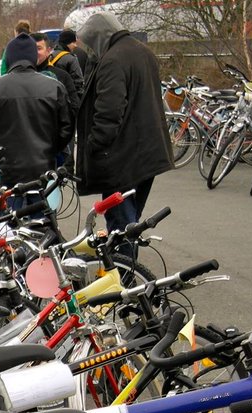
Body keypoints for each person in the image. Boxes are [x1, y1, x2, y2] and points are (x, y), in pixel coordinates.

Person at [75, 10, 173, 242]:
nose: (91, 51)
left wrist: (94, 144)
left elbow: (109, 111)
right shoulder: (143, 52)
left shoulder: (112, 60)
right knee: (131, 221)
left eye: (91, 44)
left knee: (121, 226)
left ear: (99, 37)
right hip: (148, 152)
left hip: (122, 158)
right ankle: (128, 269)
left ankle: (124, 274)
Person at [0, 32, 71, 200]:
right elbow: (66, 128)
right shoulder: (55, 87)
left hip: (4, 171)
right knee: (42, 220)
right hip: (42, 169)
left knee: (6, 221)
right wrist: (50, 150)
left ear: (9, 58)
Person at [33, 31, 80, 118]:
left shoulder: (63, 77)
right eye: (31, 48)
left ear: (48, 51)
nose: (34, 52)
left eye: (39, 48)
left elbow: (73, 108)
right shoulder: (17, 77)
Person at [48, 29, 85, 95]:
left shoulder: (50, 55)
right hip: (67, 97)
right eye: (73, 42)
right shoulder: (71, 58)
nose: (75, 45)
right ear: (67, 43)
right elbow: (78, 82)